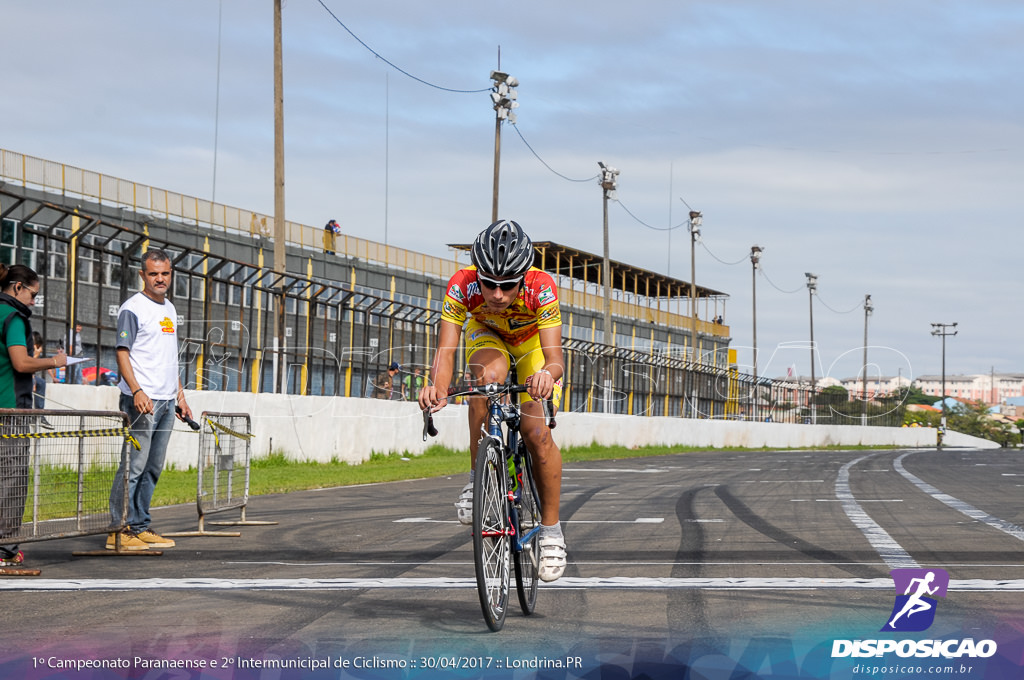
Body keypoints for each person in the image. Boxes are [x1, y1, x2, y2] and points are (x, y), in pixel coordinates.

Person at [418, 219, 567, 582]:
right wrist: (436, 387)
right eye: (489, 285)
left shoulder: (541, 287)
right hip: (488, 336)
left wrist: (547, 375)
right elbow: (446, 348)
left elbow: (555, 358)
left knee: (536, 435)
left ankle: (551, 531)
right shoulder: (461, 284)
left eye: (507, 286)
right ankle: (477, 478)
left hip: (534, 348)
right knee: (484, 384)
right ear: (478, 276)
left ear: (523, 277)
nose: (497, 295)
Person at [106, 249, 194, 551]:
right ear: (142, 275)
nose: (160, 278)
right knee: (133, 466)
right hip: (141, 400)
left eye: (165, 273)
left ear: (171, 274)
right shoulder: (133, 308)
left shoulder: (169, 308)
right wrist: (137, 390)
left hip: (167, 401)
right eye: (153, 273)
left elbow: (170, 358)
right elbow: (122, 352)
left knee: (153, 466)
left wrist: (180, 396)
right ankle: (118, 529)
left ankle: (139, 525)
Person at [0, 264, 68, 567]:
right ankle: (5, 549)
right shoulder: (12, 317)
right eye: (33, 294)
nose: (33, 301)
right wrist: (54, 361)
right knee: (12, 480)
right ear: (17, 288)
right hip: (11, 410)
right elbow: (21, 363)